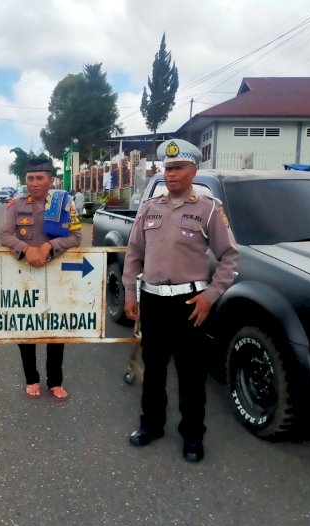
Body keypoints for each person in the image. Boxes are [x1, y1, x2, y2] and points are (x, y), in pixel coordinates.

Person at [123, 138, 239, 462]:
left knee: (191, 375)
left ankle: (192, 436)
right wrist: (131, 294)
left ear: (193, 170)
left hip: (190, 305)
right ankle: (151, 425)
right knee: (154, 370)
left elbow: (230, 258)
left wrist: (210, 296)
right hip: (154, 302)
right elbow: (134, 255)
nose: (171, 174)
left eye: (178, 168)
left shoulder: (207, 209)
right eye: (167, 168)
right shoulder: (150, 208)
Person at [0, 156, 82, 400]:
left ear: (50, 180)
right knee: (26, 328)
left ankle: (55, 381)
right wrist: (26, 249)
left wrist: (48, 246)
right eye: (30, 179)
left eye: (39, 178)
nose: (34, 183)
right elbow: (4, 235)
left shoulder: (63, 203)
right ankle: (31, 378)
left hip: (56, 275)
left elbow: (76, 237)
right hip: (24, 275)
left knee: (56, 327)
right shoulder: (16, 204)